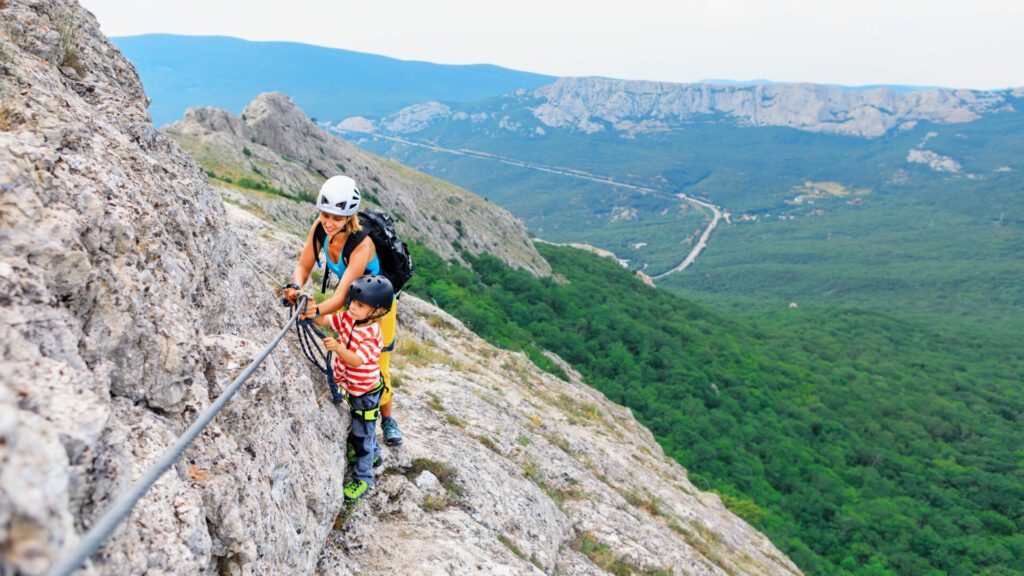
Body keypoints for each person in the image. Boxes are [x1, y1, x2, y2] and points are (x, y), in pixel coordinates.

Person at [283, 175, 404, 446]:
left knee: (376, 363)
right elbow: (303, 267)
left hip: (378, 310)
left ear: (349, 217)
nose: (328, 222)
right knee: (346, 354)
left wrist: (312, 310)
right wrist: (296, 287)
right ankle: (358, 405)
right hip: (355, 302)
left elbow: (339, 298)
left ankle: (387, 419)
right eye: (325, 215)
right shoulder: (320, 229)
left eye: (336, 218)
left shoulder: (362, 244)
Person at [312, 274, 394, 502]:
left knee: (362, 434)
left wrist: (337, 349)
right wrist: (311, 312)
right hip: (353, 386)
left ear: (377, 311)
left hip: (365, 392)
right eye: (352, 302)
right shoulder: (348, 318)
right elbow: (328, 321)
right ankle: (375, 456)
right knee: (364, 429)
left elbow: (357, 360)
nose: (352, 307)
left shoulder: (372, 334)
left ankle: (364, 478)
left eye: (359, 305)